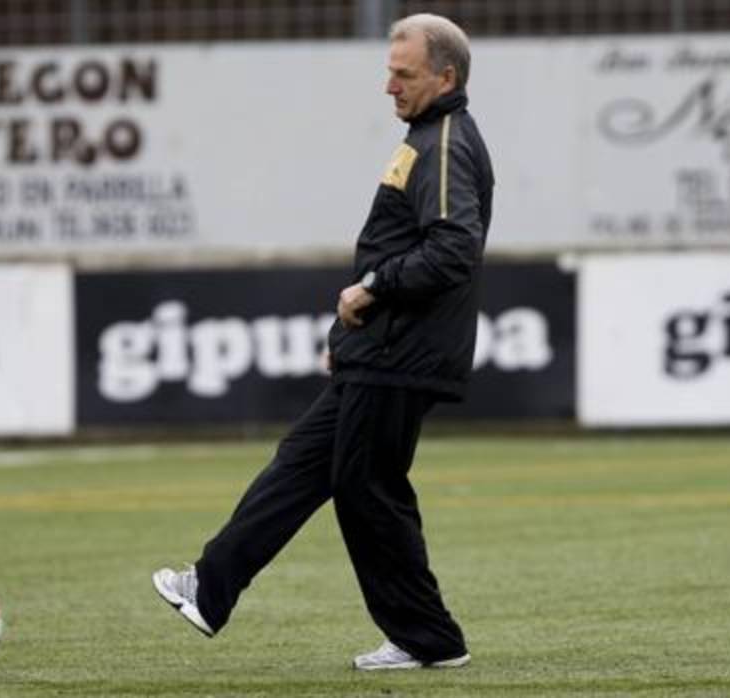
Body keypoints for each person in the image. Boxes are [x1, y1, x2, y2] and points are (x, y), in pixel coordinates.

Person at [152, 12, 494, 671]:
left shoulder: (446, 141)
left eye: (404, 74)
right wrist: (351, 331)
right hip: (383, 347)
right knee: (305, 462)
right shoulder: (426, 135)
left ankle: (430, 639)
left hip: (403, 350)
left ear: (445, 76)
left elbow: (453, 250)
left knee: (367, 488)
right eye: (388, 72)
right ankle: (210, 587)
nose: (388, 86)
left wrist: (370, 290)